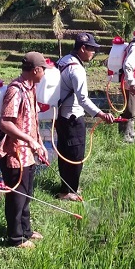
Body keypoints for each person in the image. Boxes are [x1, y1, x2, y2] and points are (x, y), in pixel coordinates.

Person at [0, 52, 49, 248]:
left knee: (27, 193)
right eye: (43, 70)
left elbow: (32, 121)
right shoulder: (15, 91)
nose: (44, 74)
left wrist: (40, 144)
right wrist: (28, 140)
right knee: (16, 196)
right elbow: (4, 123)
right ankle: (16, 238)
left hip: (28, 154)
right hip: (15, 154)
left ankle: (26, 230)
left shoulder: (31, 88)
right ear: (35, 70)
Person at [55, 33, 114, 201]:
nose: (93, 53)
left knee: (64, 152)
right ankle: (70, 192)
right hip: (73, 117)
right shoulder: (77, 69)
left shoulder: (64, 60)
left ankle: (65, 187)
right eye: (92, 49)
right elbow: (83, 100)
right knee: (75, 155)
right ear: (82, 48)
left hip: (61, 116)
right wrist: (101, 114)